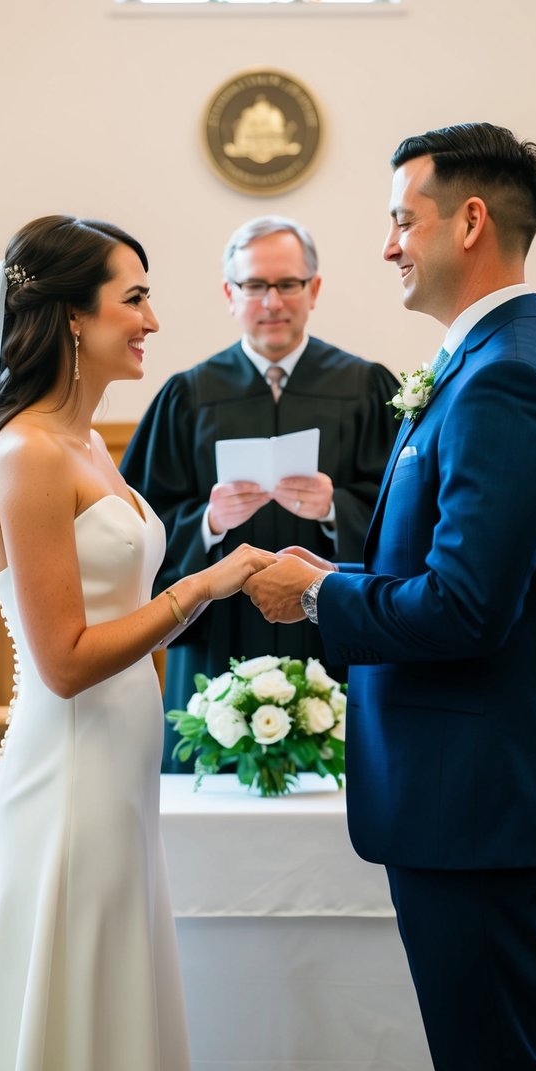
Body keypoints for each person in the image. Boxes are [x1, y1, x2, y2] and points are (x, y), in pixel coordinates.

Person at [0, 215, 272, 1071]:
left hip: (119, 772)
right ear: (75, 319)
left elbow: (120, 618)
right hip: (70, 773)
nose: (154, 319)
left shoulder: (87, 446)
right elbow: (67, 662)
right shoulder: (26, 455)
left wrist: (213, 584)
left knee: (110, 981)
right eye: (135, 298)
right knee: (66, 981)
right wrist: (204, 586)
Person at [244, 124, 536, 1071]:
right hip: (472, 795)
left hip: (476, 801)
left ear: (470, 221)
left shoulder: (505, 378)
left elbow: (464, 608)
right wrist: (341, 569)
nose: (389, 243)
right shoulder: (488, 360)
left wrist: (318, 592)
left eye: (402, 218)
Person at [121, 216, 398, 769]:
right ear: (230, 293)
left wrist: (335, 509)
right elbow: (132, 527)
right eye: (254, 286)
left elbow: (407, 514)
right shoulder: (188, 396)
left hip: (329, 635)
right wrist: (208, 523)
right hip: (217, 637)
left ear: (313, 290)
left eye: (287, 284)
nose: (272, 302)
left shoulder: (365, 388)